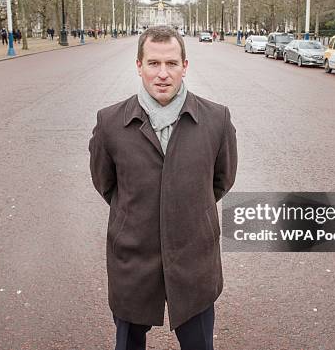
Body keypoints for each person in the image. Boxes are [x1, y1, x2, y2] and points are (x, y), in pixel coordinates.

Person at [89, 25, 237, 350]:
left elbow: (222, 180)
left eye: (171, 64)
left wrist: (184, 204)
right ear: (139, 66)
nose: (162, 74)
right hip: (132, 261)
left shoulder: (217, 119)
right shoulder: (110, 123)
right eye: (153, 63)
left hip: (194, 260)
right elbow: (106, 183)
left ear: (185, 66)